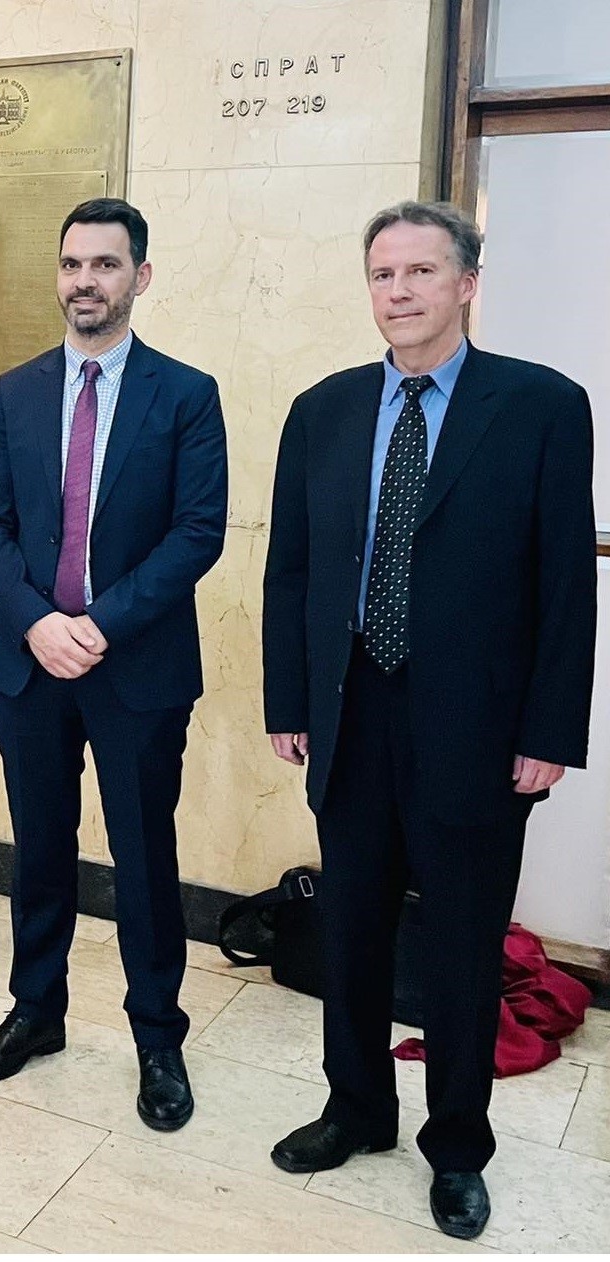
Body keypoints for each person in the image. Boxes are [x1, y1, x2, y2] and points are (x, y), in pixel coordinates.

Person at [262, 200, 596, 1238]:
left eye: (419, 271)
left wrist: (549, 732)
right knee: (352, 930)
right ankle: (357, 1108)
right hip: (350, 712)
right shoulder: (321, 410)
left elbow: (565, 583)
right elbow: (291, 571)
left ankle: (457, 1146)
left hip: (479, 728)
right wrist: (289, 700)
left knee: (460, 947)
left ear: (466, 284)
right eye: (381, 273)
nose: (398, 291)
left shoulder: (541, 405)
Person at [0, 197, 227, 1131]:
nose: (86, 282)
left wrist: (98, 625)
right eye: (72, 264)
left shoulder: (186, 395)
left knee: (144, 857)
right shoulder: (15, 391)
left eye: (106, 265)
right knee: (39, 845)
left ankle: (157, 1038)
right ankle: (36, 1012)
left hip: (136, 668)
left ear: (139, 277)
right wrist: (38, 622)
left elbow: (197, 532)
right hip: (28, 663)